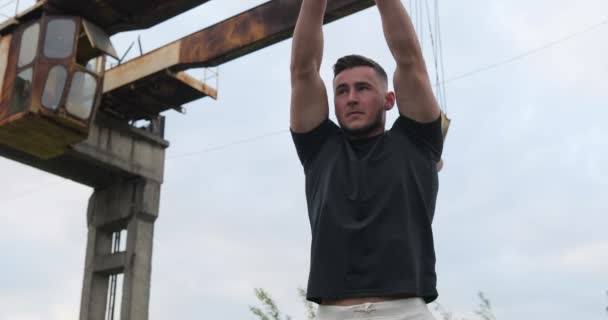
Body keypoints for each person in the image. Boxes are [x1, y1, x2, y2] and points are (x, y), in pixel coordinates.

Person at [289, 1, 445, 319]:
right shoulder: (319, 148)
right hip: (334, 312)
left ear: (389, 100)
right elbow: (303, 70)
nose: (352, 98)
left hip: (405, 311)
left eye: (363, 88)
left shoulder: (416, 140)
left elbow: (410, 60)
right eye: (342, 91)